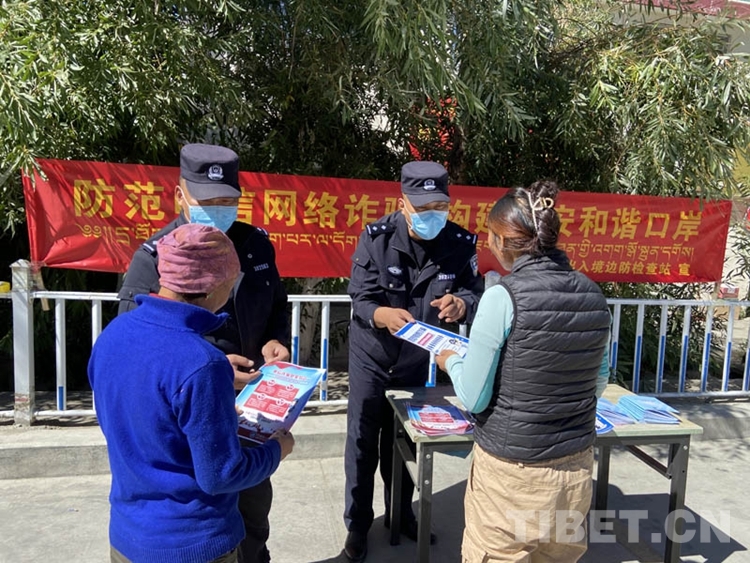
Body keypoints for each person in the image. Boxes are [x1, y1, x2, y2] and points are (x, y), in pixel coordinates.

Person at [117, 143, 290, 563]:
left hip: (251, 404)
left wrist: (275, 339)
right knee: (209, 502)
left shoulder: (254, 244)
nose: (219, 211)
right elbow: (139, 342)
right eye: (208, 202)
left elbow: (277, 303)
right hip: (191, 405)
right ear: (180, 196)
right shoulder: (155, 256)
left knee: (253, 506)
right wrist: (211, 369)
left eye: (228, 202)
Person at [436, 180, 612, 563]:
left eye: (490, 236)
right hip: (575, 468)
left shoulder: (503, 296)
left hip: (511, 475)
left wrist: (450, 361)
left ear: (502, 241)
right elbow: (597, 381)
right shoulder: (593, 295)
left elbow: (474, 397)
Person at [344, 161, 485, 562]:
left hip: (416, 361)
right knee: (362, 441)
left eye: (439, 206)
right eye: (422, 207)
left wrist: (462, 304)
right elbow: (360, 298)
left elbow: (475, 293)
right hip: (372, 357)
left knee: (406, 441)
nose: (431, 215)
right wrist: (382, 315)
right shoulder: (377, 238)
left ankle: (401, 513)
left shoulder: (459, 242)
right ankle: (357, 525)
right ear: (402, 203)